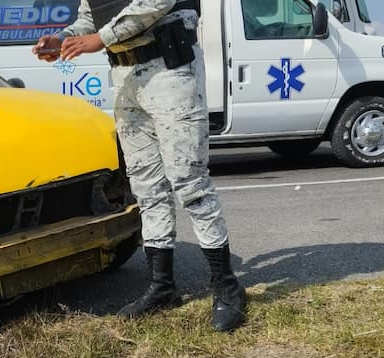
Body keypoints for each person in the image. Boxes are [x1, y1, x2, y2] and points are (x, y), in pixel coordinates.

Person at [32, 0, 247, 331]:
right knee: (146, 186)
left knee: (190, 182)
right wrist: (63, 38)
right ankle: (162, 287)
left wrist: (100, 38)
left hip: (170, 69)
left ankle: (227, 287)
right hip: (126, 76)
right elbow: (91, 16)